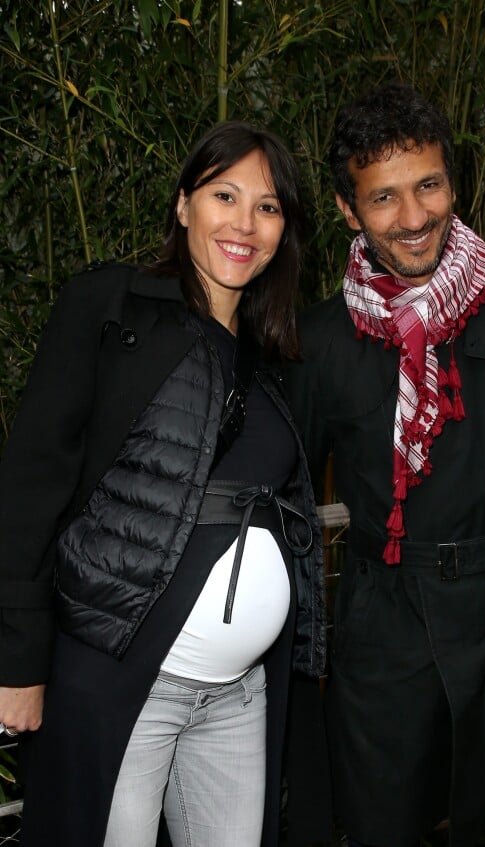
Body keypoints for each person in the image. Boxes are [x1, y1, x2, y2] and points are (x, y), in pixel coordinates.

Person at [0, 120, 326, 847]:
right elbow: (30, 485)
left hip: (240, 694)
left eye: (268, 207)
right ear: (184, 205)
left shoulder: (275, 359)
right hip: (123, 683)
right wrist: (16, 662)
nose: (245, 223)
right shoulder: (111, 307)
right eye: (225, 195)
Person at [284, 82, 485, 846]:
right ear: (350, 210)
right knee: (383, 821)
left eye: (429, 185)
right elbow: (282, 508)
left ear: (455, 181)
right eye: (383, 198)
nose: (414, 219)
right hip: (386, 619)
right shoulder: (319, 341)